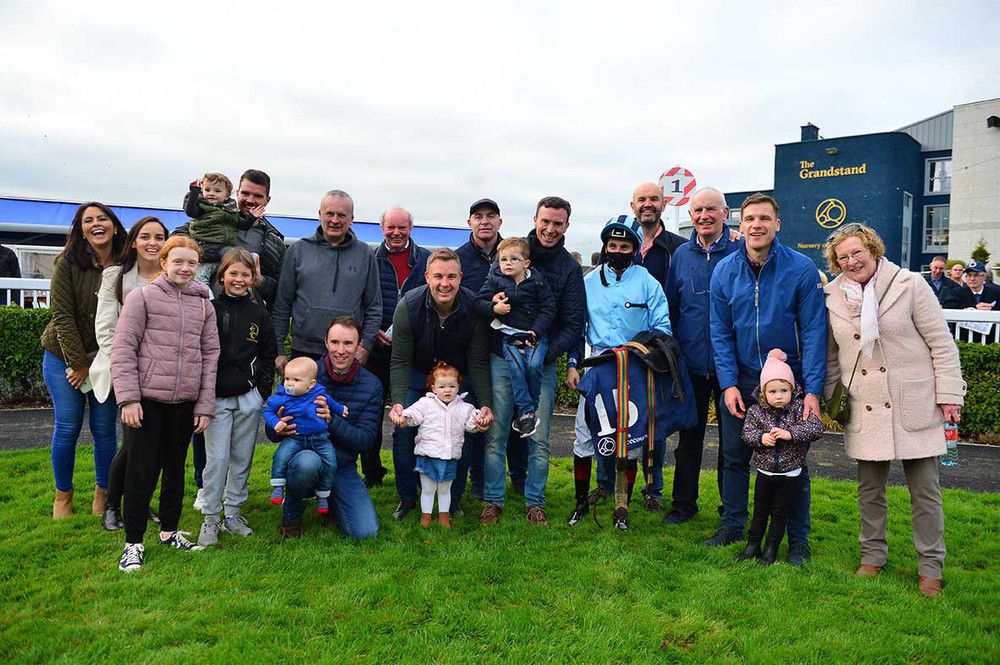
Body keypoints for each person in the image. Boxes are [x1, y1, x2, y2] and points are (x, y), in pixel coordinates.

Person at [823, 223, 965, 597]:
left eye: (857, 253)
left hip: (912, 402)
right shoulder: (832, 296)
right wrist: (831, 395)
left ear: (873, 249)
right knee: (869, 490)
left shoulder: (909, 284)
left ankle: (930, 568)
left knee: (925, 493)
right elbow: (831, 357)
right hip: (864, 405)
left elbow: (942, 344)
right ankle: (872, 556)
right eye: (843, 257)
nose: (851, 261)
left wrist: (950, 394)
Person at [709, 193, 827, 566]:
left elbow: (813, 331)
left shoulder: (801, 268)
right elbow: (720, 332)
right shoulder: (724, 271)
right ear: (739, 225)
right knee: (733, 456)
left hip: (786, 383)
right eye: (749, 219)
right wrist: (728, 383)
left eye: (764, 218)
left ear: (777, 224)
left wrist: (812, 390)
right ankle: (732, 526)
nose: (756, 225)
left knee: (792, 462)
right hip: (742, 378)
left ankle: (799, 540)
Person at [112, 236, 220, 572]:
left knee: (176, 468)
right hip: (146, 401)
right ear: (164, 262)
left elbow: (210, 354)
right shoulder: (141, 298)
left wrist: (204, 405)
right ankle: (133, 542)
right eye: (178, 261)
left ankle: (169, 531)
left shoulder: (204, 303)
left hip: (185, 403)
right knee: (141, 470)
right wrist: (128, 398)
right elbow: (123, 349)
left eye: (192, 263)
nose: (185, 268)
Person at [480, 196, 584, 526]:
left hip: (541, 358)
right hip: (502, 356)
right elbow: (483, 300)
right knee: (496, 433)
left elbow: (572, 323)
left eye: (558, 223)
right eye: (545, 221)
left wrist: (543, 352)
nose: (550, 229)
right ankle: (493, 500)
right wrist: (493, 306)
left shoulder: (569, 269)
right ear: (535, 219)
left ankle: (535, 501)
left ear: (567, 226)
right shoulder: (511, 253)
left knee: (539, 437)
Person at [564, 218, 671, 530]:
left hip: (632, 364)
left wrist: (644, 352)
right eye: (612, 246)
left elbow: (662, 327)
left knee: (630, 436)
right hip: (598, 363)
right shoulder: (590, 281)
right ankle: (581, 501)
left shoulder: (648, 282)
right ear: (605, 247)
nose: (618, 251)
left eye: (625, 246)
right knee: (585, 433)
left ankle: (622, 507)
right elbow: (577, 327)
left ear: (635, 248)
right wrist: (573, 364)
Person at [389, 248, 494, 521]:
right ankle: (408, 497)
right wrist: (399, 401)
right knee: (403, 431)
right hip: (417, 373)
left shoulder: (474, 308)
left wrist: (485, 405)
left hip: (458, 378)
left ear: (460, 277)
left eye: (451, 276)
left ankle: (454, 497)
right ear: (427, 277)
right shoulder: (408, 306)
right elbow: (400, 360)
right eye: (438, 276)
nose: (444, 283)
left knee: (465, 428)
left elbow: (479, 362)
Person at [41, 202, 128, 520]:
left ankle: (102, 494)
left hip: (105, 358)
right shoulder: (67, 262)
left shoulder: (126, 262)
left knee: (104, 429)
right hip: (63, 357)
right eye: (88, 220)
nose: (96, 224)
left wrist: (96, 364)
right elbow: (61, 316)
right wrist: (79, 365)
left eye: (102, 218)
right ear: (80, 229)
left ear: (114, 225)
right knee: (67, 426)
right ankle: (63, 495)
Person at [266, 316, 383, 540]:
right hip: (303, 456)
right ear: (326, 343)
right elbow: (272, 427)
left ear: (359, 346)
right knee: (307, 463)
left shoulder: (371, 385)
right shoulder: (304, 371)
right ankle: (292, 515)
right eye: (335, 342)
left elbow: (366, 440)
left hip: (342, 465)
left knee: (365, 533)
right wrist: (277, 428)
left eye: (348, 343)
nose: (341, 350)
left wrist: (332, 421)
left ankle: (329, 499)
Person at [662, 187, 739, 524]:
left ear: (725, 212)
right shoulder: (681, 255)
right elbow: (672, 308)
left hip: (730, 366)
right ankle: (683, 505)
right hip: (690, 364)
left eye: (711, 209)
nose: (704, 216)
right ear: (690, 216)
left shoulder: (739, 250)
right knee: (688, 441)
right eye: (698, 211)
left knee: (732, 443)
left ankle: (730, 507)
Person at [196, 249, 277, 547]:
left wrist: (262, 391)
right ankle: (211, 517)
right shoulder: (209, 309)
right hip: (215, 398)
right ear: (222, 276)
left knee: (241, 458)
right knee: (217, 459)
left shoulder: (259, 313)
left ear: (252, 279)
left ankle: (233, 513)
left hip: (247, 397)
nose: (239, 279)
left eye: (245, 274)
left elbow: (269, 353)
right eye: (233, 273)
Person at [93, 216, 169, 530]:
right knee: (133, 445)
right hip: (128, 373)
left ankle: (140, 501)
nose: (153, 243)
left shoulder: (172, 275)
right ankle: (112, 505)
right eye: (146, 236)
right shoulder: (116, 277)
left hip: (162, 375)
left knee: (156, 444)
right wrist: (130, 369)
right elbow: (106, 329)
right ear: (134, 241)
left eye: (159, 237)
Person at [272, 189, 381, 371]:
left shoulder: (365, 254)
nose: (335, 220)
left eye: (341, 215)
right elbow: (282, 305)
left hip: (347, 353)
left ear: (351, 219)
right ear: (320, 215)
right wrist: (279, 349)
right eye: (329, 213)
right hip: (304, 351)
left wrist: (366, 346)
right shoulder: (298, 251)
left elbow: (374, 307)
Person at [738, 349, 823, 565]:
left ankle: (771, 549)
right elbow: (746, 434)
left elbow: (815, 428)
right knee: (759, 511)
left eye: (784, 390)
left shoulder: (798, 409)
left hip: (790, 474)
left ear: (792, 389)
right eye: (773, 391)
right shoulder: (756, 412)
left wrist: (791, 434)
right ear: (764, 392)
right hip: (764, 473)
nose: (778, 396)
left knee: (779, 513)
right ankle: (752, 545)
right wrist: (761, 438)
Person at [365, 207, 430, 487]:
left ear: (411, 229)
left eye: (402, 228)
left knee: (414, 413)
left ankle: (416, 472)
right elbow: (363, 298)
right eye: (391, 227)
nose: (396, 233)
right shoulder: (371, 258)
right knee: (372, 411)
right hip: (376, 347)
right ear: (382, 229)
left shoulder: (425, 258)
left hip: (413, 351)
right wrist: (372, 331)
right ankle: (372, 471)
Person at [455, 198, 509, 499]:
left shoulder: (512, 252)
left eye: (491, 216)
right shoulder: (458, 258)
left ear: (500, 222)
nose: (485, 221)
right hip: (466, 350)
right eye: (478, 216)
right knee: (468, 417)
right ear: (470, 223)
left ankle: (499, 480)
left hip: (503, 349)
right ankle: (468, 482)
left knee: (498, 420)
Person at [475, 237, 555, 436]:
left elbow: (549, 308)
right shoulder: (496, 280)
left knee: (535, 366)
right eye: (503, 260)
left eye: (513, 259)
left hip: (534, 335)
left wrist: (535, 331)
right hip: (510, 335)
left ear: (526, 263)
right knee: (517, 369)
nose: (507, 263)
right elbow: (478, 303)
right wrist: (495, 307)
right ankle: (527, 413)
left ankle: (530, 408)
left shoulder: (538, 281)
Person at [172, 169, 285, 309]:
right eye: (245, 193)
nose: (250, 200)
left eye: (257, 196)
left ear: (267, 200)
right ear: (237, 193)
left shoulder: (275, 243)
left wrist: (259, 280)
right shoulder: (208, 221)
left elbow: (280, 291)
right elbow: (172, 246)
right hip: (204, 310)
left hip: (247, 317)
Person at [393, 362, 484, 528]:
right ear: (433, 388)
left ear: (458, 387)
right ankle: (425, 517)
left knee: (444, 490)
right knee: (428, 490)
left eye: (452, 386)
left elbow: (471, 426)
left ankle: (444, 517)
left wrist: (479, 421)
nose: (447, 390)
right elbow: (413, 414)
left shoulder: (465, 408)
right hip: (427, 456)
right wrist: (403, 417)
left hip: (449, 457)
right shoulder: (425, 404)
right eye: (442, 386)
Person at [265, 356, 346, 513]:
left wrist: (340, 409)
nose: (289, 383)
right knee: (281, 455)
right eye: (287, 378)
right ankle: (277, 486)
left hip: (320, 438)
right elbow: (267, 411)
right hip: (295, 437)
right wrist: (276, 422)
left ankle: (323, 494)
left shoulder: (318, 394)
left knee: (330, 462)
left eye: (296, 380)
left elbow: (330, 403)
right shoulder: (282, 397)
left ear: (311, 384)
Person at [182, 173, 249, 283]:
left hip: (221, 249)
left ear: (227, 195)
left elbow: (243, 225)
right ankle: (247, 263)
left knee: (212, 272)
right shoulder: (203, 206)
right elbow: (190, 212)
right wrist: (194, 193)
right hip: (205, 245)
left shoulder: (231, 211)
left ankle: (246, 267)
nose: (211, 194)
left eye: (217, 191)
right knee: (233, 256)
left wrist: (252, 217)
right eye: (207, 190)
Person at [0, 242, 21, 306]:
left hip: (4, 294)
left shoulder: (8, 253)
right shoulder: (8, 253)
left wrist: (15, 302)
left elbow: (16, 278)